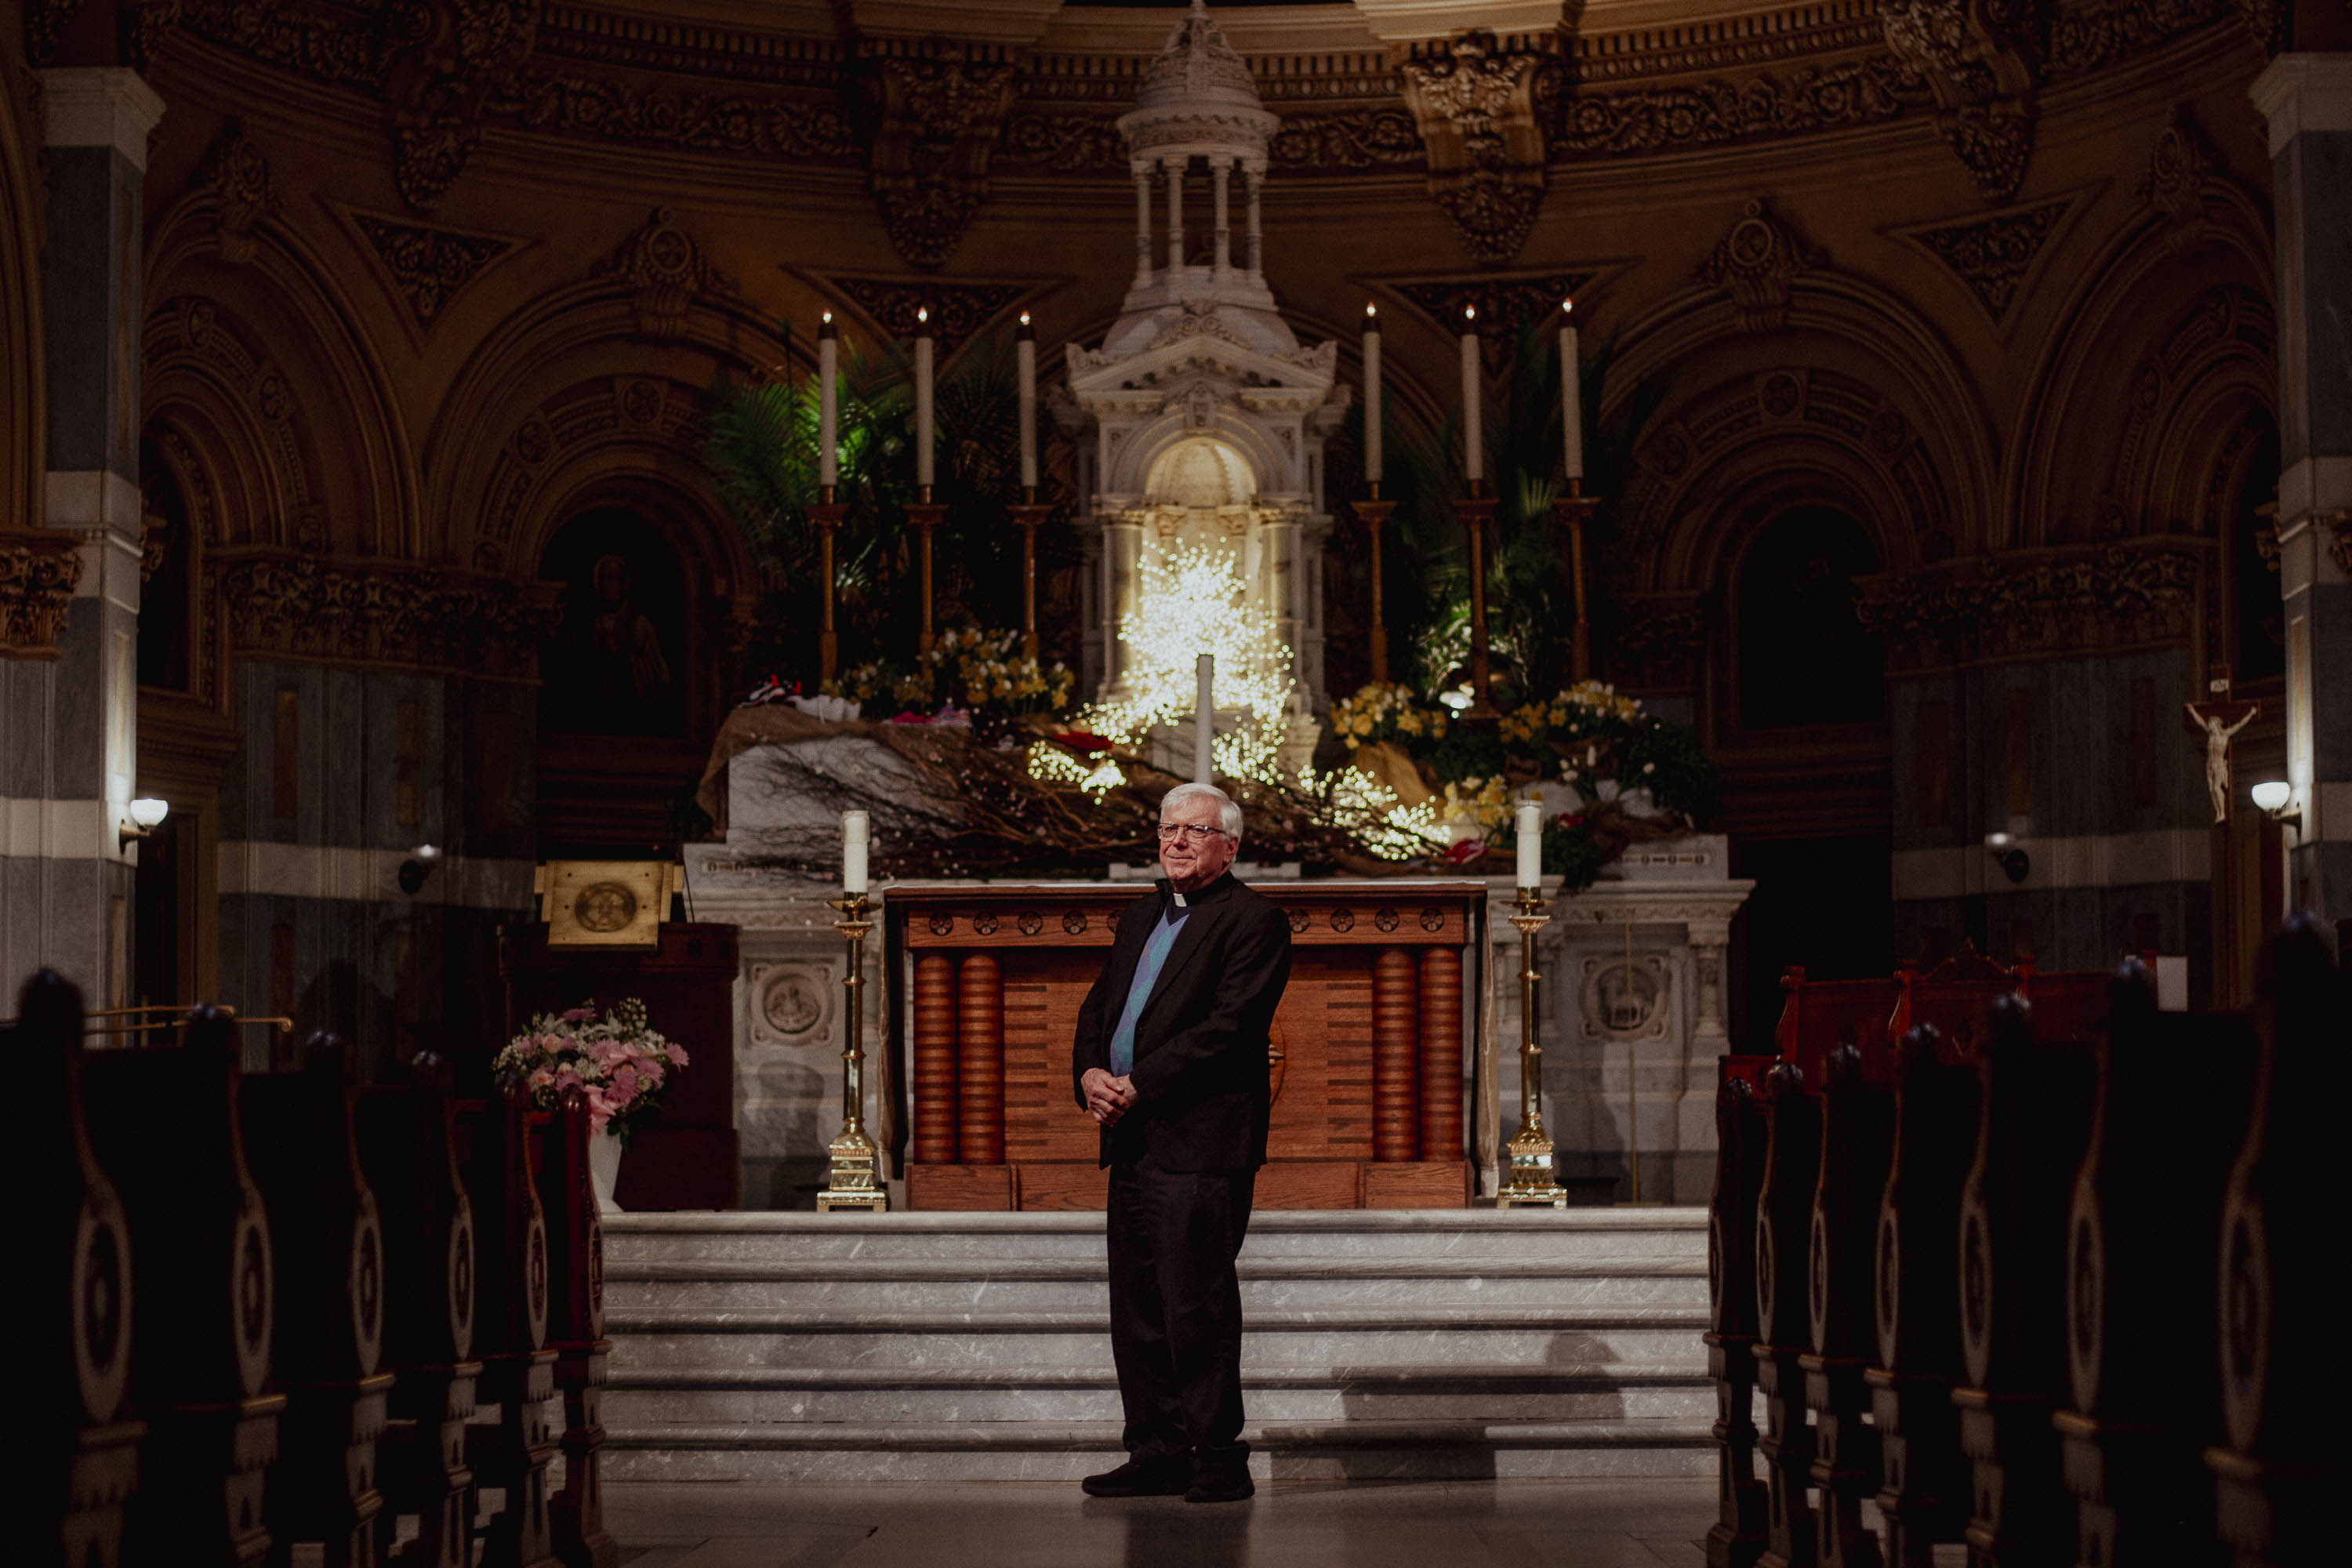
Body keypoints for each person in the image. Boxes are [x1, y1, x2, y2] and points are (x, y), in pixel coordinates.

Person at [1071, 782, 1293, 1504]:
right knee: (1135, 1308)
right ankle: (1157, 1449)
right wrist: (1091, 1074)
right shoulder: (1140, 916)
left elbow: (1229, 1029)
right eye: (1168, 829)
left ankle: (1218, 1457)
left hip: (1201, 1140)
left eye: (1195, 831)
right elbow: (1099, 1006)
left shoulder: (1254, 921)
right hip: (1133, 1138)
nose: (1176, 842)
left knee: (1195, 1305)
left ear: (1230, 845)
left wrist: (1141, 1082)